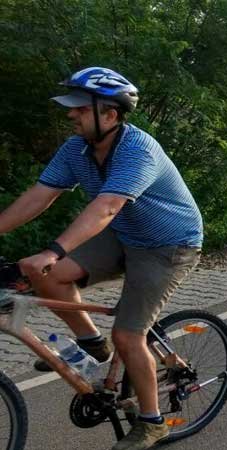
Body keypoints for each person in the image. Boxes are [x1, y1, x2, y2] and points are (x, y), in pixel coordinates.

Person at [0, 67, 203, 450]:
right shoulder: (76, 148)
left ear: (110, 114)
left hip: (168, 245)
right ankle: (92, 344)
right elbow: (40, 195)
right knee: (44, 273)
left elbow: (107, 207)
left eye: (79, 107)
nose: (70, 114)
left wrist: (53, 249)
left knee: (128, 335)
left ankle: (152, 421)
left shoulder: (138, 150)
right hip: (123, 234)